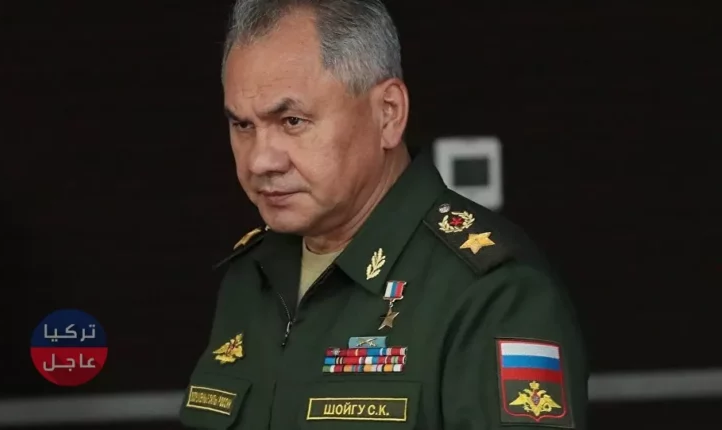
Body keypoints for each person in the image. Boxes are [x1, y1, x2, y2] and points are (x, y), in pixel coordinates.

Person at [179, 0, 588, 428]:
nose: (260, 160)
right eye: (243, 126)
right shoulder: (250, 278)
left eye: (292, 121)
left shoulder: (494, 293)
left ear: (388, 113)